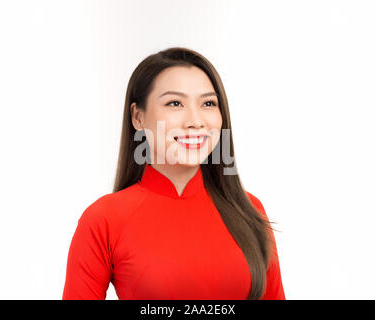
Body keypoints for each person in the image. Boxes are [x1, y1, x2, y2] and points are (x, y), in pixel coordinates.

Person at [62, 47, 286, 300]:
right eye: (175, 103)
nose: (195, 121)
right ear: (138, 117)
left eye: (208, 103)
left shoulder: (249, 209)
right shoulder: (103, 220)